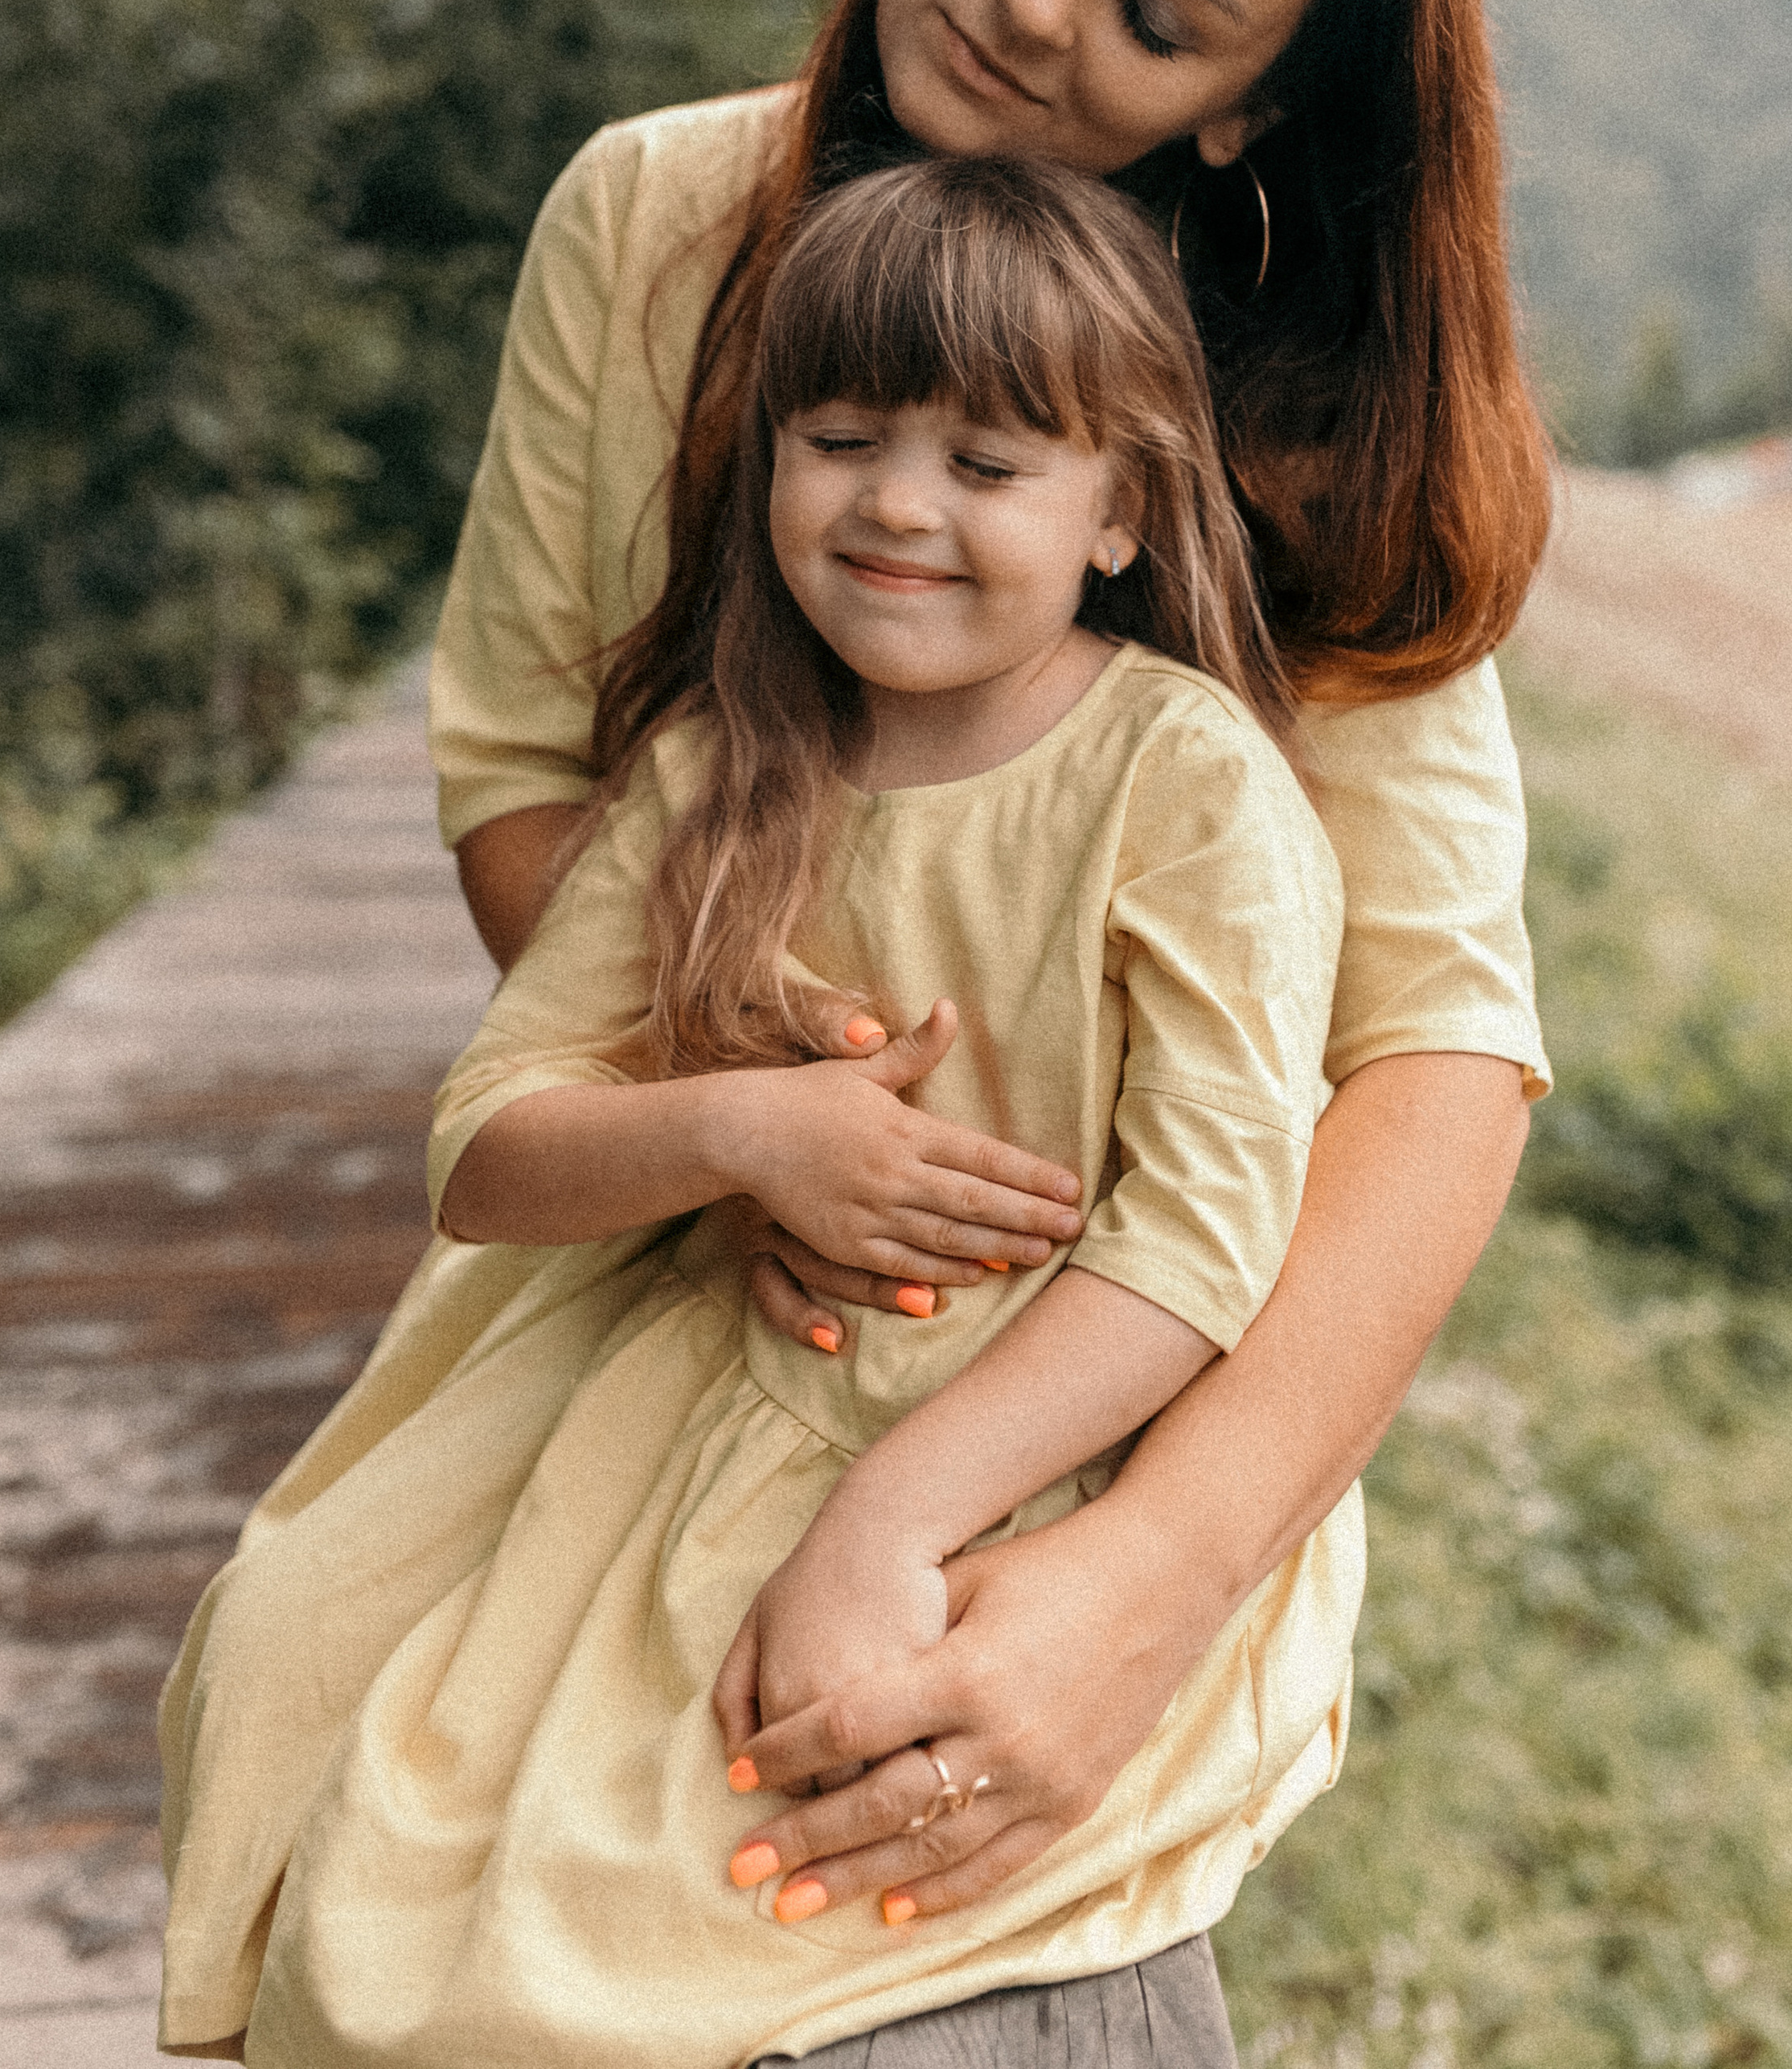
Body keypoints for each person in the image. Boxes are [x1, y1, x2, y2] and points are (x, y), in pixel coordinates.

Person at [429, 0, 1553, 1947]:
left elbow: (1438, 1044)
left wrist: (1148, 1575)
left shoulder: (1300, 407)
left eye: (1162, 13)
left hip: (1119, 1369)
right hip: (687, 1264)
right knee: (377, 1796)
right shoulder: (658, 221)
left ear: (1248, 102)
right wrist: (739, 1125)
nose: (1039, 5)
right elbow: (530, 773)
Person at [158, 157, 1354, 2066]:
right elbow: (486, 1147)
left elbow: (1201, 1245)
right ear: (770, 460)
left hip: (1021, 1431)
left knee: (607, 1927)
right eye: (844, 437)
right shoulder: (729, 765)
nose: (896, 503)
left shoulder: (1182, 788)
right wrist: (737, 1134)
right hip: (720, 1386)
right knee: (298, 1643)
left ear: (1118, 511)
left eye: (986, 463)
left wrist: (889, 1515)